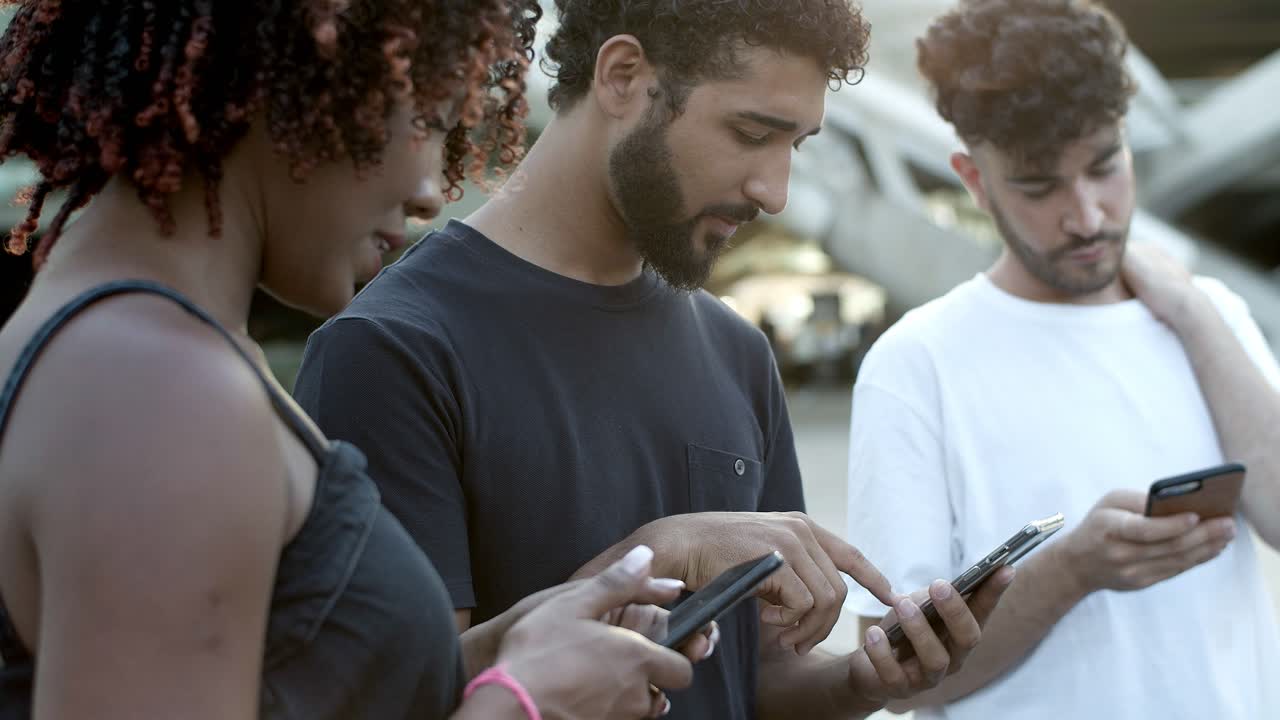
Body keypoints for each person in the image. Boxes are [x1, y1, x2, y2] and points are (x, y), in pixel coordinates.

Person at [293, 1, 1014, 718]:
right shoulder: (390, 351)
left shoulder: (736, 353)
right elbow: (396, 694)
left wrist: (863, 682)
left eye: (795, 145)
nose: (775, 192)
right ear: (622, 76)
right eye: (751, 133)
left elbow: (755, 679)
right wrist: (662, 554)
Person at [0, 2, 717, 718]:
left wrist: (518, 651)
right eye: (427, 121)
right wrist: (528, 703)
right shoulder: (161, 392)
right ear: (296, 84)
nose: (430, 192)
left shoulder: (135, 346)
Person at [843, 1, 1280, 717]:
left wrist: (1192, 312)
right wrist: (1072, 570)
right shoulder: (916, 364)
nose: (1087, 216)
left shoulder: (1210, 315)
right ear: (974, 180)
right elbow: (899, 676)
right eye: (1039, 186)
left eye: (1104, 167)